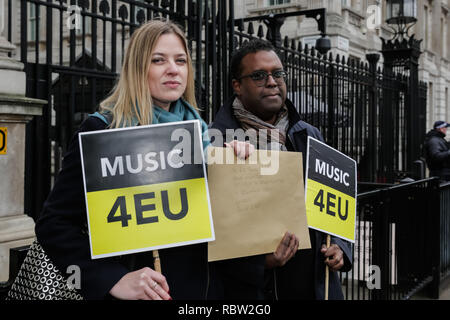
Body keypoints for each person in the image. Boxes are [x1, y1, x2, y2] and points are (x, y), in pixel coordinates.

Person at [35, 19, 249, 300]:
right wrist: (113, 279)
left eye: (181, 61)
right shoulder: (103, 129)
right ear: (137, 67)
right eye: (158, 60)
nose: (173, 69)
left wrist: (233, 163)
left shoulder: (201, 133)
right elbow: (54, 224)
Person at [208, 39, 352, 300]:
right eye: (259, 75)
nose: (272, 82)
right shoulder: (216, 141)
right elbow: (210, 235)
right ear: (237, 86)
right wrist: (258, 263)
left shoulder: (310, 134)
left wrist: (341, 248)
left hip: (314, 286)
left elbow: (336, 205)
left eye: (278, 73)